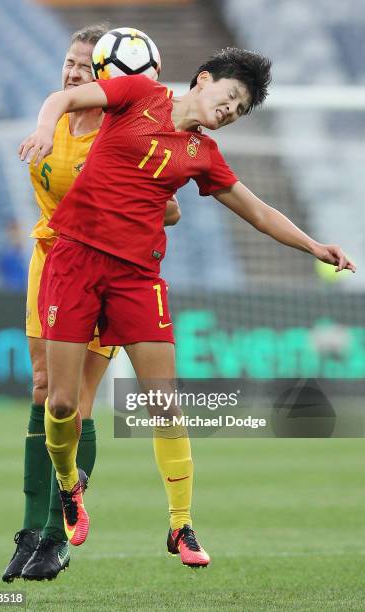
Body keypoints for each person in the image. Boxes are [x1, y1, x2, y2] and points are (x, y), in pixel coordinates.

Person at [19, 47, 355, 568]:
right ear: (204, 80)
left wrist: (315, 246)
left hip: (136, 278)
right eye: (231, 97)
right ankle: (69, 484)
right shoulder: (137, 95)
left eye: (240, 110)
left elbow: (259, 213)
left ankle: (181, 525)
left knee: (165, 402)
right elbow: (63, 96)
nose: (231, 111)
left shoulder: (202, 153)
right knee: (60, 405)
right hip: (74, 263)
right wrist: (45, 128)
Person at [3, 25, 180, 583]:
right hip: (49, 260)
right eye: (69, 62)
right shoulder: (55, 117)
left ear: (106, 75)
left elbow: (169, 207)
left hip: (101, 265)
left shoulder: (121, 128)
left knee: (76, 403)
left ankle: (57, 534)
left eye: (85, 66)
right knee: (41, 388)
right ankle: (31, 530)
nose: (73, 72)